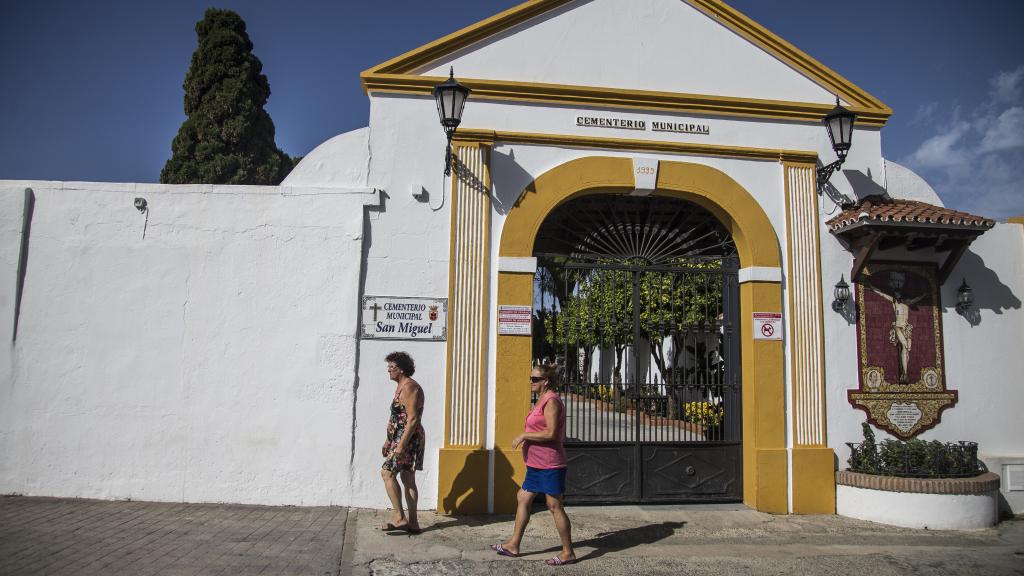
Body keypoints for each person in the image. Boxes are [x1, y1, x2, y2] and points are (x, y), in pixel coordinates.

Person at [491, 363, 577, 566]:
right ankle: (513, 544)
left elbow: (551, 433)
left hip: (550, 463)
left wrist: (524, 435)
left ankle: (568, 552)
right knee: (523, 497)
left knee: (554, 505)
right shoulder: (541, 400)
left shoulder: (552, 401)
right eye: (531, 378)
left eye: (535, 379)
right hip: (536, 464)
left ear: (546, 381)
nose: (531, 382)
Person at [380, 351, 425, 534]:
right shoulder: (401, 386)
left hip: (408, 439)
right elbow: (397, 417)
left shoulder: (409, 387)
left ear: (401, 369)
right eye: (388, 367)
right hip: (399, 438)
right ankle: (413, 524)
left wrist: (400, 445)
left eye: (392, 367)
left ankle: (400, 517)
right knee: (407, 478)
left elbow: (412, 419)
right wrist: (388, 440)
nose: (389, 370)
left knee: (387, 472)